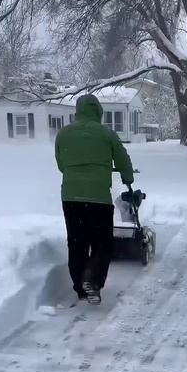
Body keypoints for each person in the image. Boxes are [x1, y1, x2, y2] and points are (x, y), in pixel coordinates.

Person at [55, 94, 134, 304]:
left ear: (78, 111)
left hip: (71, 197)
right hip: (98, 198)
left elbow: (61, 163)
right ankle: (93, 279)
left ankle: (81, 288)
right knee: (102, 243)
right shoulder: (106, 133)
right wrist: (127, 177)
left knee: (77, 242)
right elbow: (123, 159)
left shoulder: (63, 134)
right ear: (98, 112)